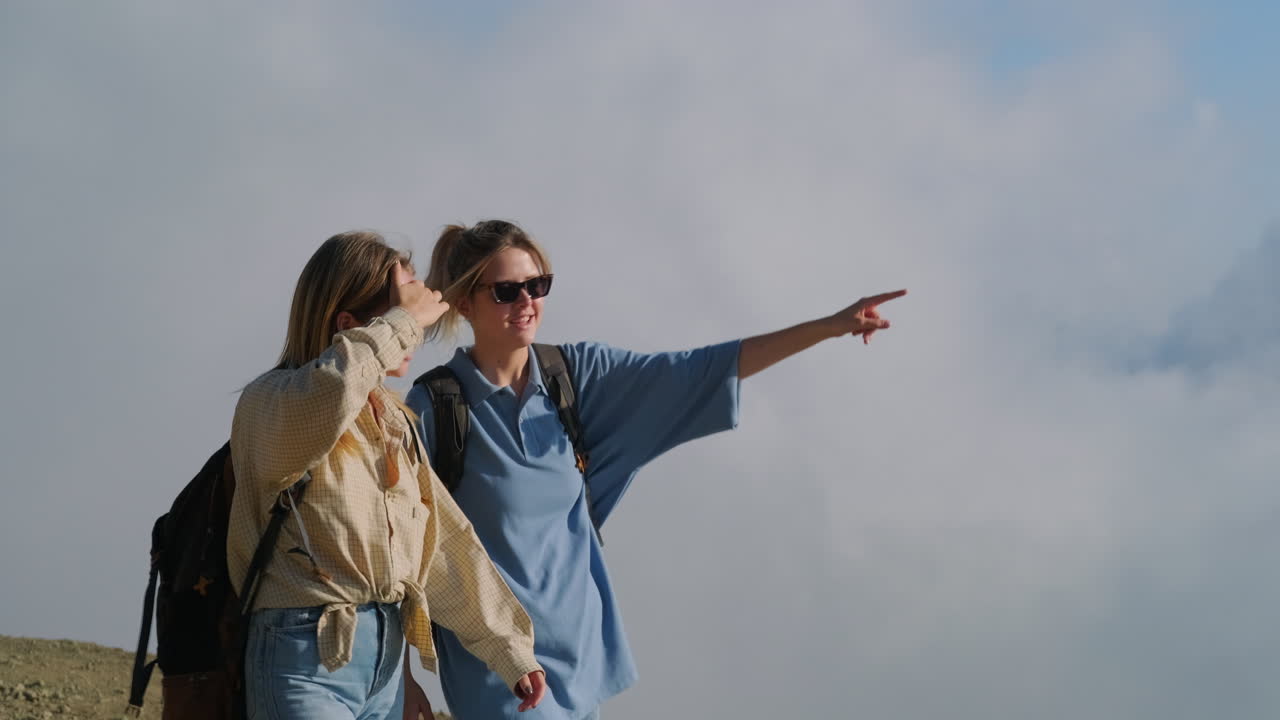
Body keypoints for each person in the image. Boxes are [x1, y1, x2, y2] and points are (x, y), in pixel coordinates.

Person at [403, 220, 907, 719]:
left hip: (580, 670)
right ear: (465, 302)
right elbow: (394, 548)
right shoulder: (435, 406)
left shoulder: (575, 377)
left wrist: (828, 327)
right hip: (495, 673)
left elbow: (695, 371)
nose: (527, 302)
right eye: (507, 290)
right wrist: (402, 680)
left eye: (538, 286)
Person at [227, 230, 548, 720]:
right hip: (303, 659)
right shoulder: (273, 401)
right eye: (403, 315)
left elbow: (442, 542)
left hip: (384, 669)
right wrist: (406, 320)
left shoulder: (392, 421)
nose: (417, 333)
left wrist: (507, 646)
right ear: (348, 325)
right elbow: (330, 392)